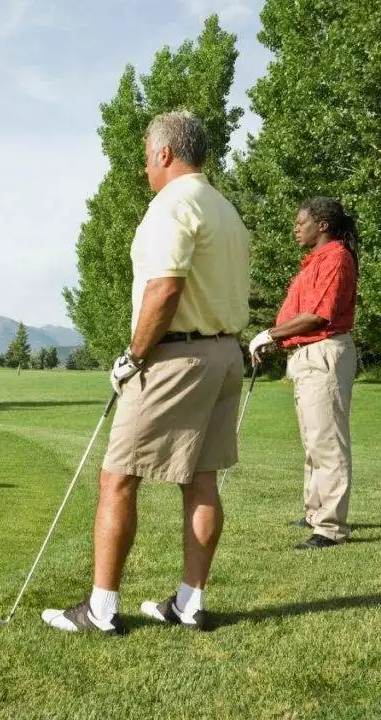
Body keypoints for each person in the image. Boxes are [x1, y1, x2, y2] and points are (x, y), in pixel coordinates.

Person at [42, 110, 250, 635]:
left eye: (145, 160)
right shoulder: (224, 209)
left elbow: (165, 288)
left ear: (163, 154)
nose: (144, 171)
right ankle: (188, 601)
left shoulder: (170, 206)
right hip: (226, 355)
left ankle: (101, 610)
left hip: (176, 357)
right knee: (202, 480)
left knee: (118, 477)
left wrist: (134, 356)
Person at [249, 197, 358, 550]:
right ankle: (315, 513)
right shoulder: (316, 261)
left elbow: (317, 315)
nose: (296, 229)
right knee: (313, 441)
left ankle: (330, 528)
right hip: (307, 355)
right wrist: (276, 340)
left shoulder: (336, 257)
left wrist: (269, 334)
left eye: (301, 223)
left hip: (325, 353)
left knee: (327, 442)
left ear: (322, 224)